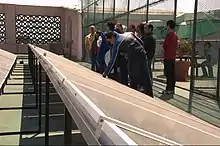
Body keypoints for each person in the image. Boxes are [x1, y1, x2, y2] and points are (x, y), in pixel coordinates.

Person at [103, 31, 153, 97]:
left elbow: (113, 60)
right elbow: (141, 41)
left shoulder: (117, 43)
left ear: (112, 37)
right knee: (145, 73)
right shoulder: (129, 33)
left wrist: (106, 73)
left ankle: (133, 94)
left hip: (133, 55)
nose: (111, 43)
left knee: (132, 74)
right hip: (141, 51)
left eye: (110, 41)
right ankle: (149, 94)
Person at [160, 20, 179, 95]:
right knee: (172, 74)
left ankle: (169, 89)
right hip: (172, 57)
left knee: (168, 74)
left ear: (168, 26)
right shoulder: (175, 35)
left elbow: (165, 47)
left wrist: (163, 53)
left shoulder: (169, 35)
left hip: (168, 57)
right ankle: (171, 89)